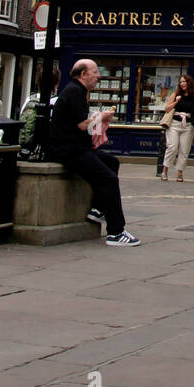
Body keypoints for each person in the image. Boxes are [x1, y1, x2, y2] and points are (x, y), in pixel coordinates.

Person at [47, 58, 139, 246]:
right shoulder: (74, 92)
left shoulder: (77, 91)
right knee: (109, 179)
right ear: (83, 74)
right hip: (69, 151)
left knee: (112, 162)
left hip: (76, 147)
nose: (99, 76)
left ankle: (98, 209)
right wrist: (101, 116)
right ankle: (116, 232)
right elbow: (82, 125)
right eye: (95, 72)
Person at [162, 73, 194, 181]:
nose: (182, 84)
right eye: (181, 82)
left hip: (188, 125)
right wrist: (176, 102)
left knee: (184, 150)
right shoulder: (176, 93)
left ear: (189, 83)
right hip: (175, 124)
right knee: (172, 147)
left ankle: (180, 173)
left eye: (184, 81)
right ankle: (165, 170)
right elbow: (167, 109)